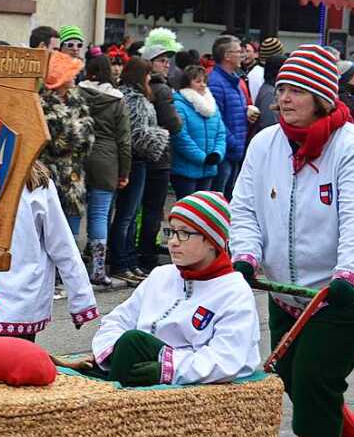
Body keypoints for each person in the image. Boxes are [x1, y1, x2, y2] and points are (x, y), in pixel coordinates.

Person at [230, 44, 354, 437]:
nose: (283, 98)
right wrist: (245, 254)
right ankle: (352, 429)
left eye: (296, 90)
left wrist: (350, 274)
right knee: (288, 374)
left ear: (322, 96)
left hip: (349, 289)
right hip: (288, 288)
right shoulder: (265, 143)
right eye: (281, 88)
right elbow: (243, 204)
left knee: (317, 376)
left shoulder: (352, 146)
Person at [89, 190, 260, 386]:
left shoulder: (233, 291)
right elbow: (118, 319)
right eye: (171, 231)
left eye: (185, 233)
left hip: (186, 380)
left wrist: (167, 369)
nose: (173, 242)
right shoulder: (162, 275)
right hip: (140, 366)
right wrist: (113, 351)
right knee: (65, 371)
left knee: (133, 341)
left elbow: (226, 358)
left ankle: (111, 401)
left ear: (213, 241)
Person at [0, 162, 99, 340]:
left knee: (17, 360)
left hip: (24, 294)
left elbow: (61, 244)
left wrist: (81, 300)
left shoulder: (37, 184)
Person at [108, 57, 166, 285]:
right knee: (126, 215)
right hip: (134, 160)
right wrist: (160, 137)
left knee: (131, 216)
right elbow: (137, 135)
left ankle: (130, 261)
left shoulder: (135, 97)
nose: (150, 78)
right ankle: (121, 262)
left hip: (137, 160)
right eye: (148, 74)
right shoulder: (133, 99)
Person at [79, 55, 131, 286]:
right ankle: (98, 269)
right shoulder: (117, 100)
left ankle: (68, 269)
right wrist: (125, 172)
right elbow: (124, 140)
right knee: (99, 214)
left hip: (79, 156)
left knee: (72, 213)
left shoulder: (77, 93)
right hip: (107, 160)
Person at [138, 28, 184, 270]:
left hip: (149, 155)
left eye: (168, 60)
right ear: (150, 63)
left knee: (144, 209)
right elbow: (173, 123)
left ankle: (143, 251)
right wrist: (181, 119)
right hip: (159, 156)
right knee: (153, 209)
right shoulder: (162, 89)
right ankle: (147, 256)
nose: (167, 65)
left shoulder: (151, 87)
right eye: (161, 61)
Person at [38, 51, 93, 236]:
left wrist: (75, 132)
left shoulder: (77, 100)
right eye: (71, 73)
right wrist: (78, 131)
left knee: (72, 235)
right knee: (50, 235)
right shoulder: (43, 104)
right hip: (52, 179)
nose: (75, 76)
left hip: (74, 180)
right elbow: (61, 143)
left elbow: (89, 137)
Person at [171, 65, 225, 198]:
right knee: (186, 212)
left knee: (203, 212)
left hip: (208, 169)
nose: (203, 85)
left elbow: (221, 133)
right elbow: (180, 136)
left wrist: (217, 153)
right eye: (198, 81)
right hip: (186, 170)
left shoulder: (211, 104)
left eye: (204, 81)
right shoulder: (179, 105)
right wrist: (202, 157)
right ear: (187, 83)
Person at [207, 35, 249, 196]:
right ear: (227, 56)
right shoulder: (215, 82)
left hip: (234, 150)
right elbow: (216, 119)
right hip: (225, 152)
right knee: (218, 198)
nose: (242, 55)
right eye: (238, 51)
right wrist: (233, 142)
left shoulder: (234, 80)